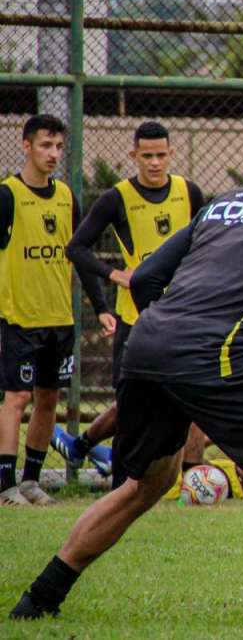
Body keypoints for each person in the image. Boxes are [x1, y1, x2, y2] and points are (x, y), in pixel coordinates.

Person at [10, 93, 243, 630]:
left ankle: (38, 598)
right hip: (211, 352)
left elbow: (148, 276)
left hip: (147, 343)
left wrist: (170, 331)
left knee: (146, 484)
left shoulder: (224, 202)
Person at [52, 121, 205, 486]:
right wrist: (115, 275)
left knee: (189, 398)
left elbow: (207, 241)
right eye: (147, 156)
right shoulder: (117, 197)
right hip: (136, 322)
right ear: (133, 155)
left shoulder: (189, 192)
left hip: (182, 318)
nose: (154, 163)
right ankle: (120, 482)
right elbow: (76, 248)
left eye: (161, 155)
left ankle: (178, 475)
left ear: (171, 154)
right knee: (131, 404)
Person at [0, 115, 114, 507]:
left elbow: (80, 256)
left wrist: (101, 307)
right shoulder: (7, 195)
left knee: (49, 399)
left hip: (59, 319)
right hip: (18, 318)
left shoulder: (66, 197)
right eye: (45, 146)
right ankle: (5, 484)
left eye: (59, 147)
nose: (53, 154)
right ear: (26, 146)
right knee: (16, 399)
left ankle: (31, 480)